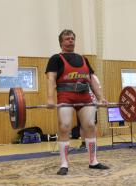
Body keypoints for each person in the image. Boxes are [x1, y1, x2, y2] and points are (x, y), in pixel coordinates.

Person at [46, 29, 109, 175]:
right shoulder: (56, 58)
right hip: (65, 95)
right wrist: (50, 98)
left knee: (90, 126)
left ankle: (93, 161)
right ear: (61, 42)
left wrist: (100, 97)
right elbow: (51, 78)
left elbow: (92, 79)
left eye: (72, 38)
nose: (70, 41)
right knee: (65, 127)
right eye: (67, 39)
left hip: (84, 95)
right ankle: (64, 164)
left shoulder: (83, 59)